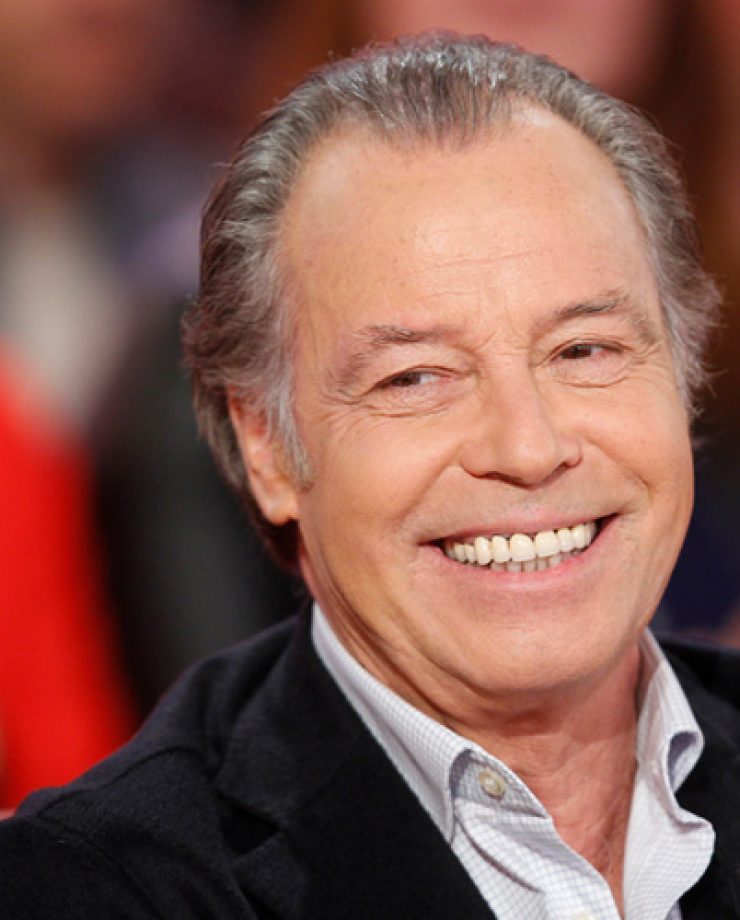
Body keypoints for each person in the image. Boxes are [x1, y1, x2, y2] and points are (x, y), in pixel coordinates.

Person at [0, 32, 734, 919]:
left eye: (585, 350)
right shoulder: (90, 892)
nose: (529, 447)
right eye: (415, 378)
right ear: (267, 446)